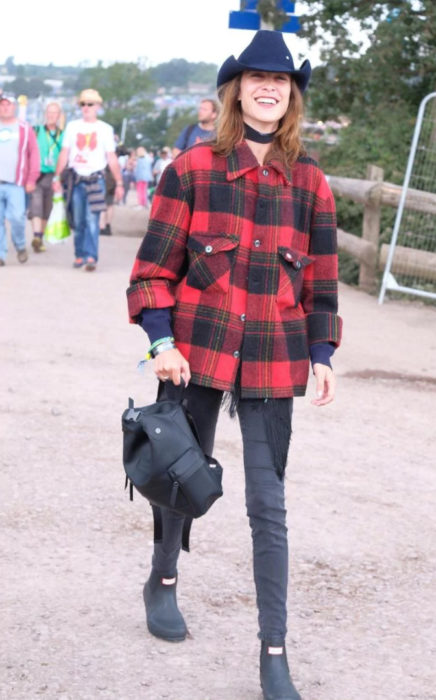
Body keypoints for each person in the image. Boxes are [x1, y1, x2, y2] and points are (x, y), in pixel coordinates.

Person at [126, 30, 342, 700]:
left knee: (267, 504)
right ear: (237, 89)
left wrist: (324, 352)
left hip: (274, 356)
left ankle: (272, 652)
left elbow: (324, 285)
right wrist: (161, 343)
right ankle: (163, 578)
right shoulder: (191, 169)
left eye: (281, 81)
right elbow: (152, 272)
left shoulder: (310, 184)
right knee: (180, 482)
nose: (269, 88)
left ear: (292, 95)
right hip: (196, 349)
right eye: (256, 79)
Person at [53, 89, 123, 271]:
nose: (86, 107)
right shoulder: (72, 127)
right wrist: (56, 176)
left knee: (92, 220)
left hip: (95, 179)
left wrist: (119, 182)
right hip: (76, 179)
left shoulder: (105, 129)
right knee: (78, 220)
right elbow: (64, 153)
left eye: (90, 104)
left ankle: (91, 256)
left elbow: (111, 157)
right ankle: (79, 254)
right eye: (83, 104)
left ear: (98, 107)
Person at [0, 93, 40, 266]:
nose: (5, 107)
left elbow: (34, 154)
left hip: (16, 183)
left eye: (9, 104)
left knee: (17, 217)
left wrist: (31, 179)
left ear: (14, 106)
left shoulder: (24, 128)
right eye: (2, 104)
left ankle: (20, 245)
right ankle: (1, 255)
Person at [29, 102, 64, 253]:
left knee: (47, 209)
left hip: (54, 176)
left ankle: (40, 237)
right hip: (37, 174)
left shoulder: (63, 135)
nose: (51, 115)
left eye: (54, 113)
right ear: (45, 114)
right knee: (36, 205)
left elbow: (65, 157)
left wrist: (60, 177)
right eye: (49, 112)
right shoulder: (36, 131)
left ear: (59, 116)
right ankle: (36, 236)